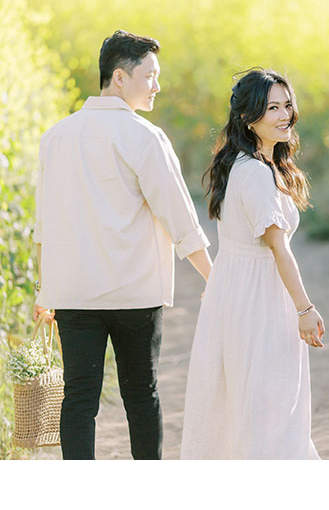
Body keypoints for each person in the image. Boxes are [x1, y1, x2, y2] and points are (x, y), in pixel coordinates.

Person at [33, 30, 212, 460]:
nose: (157, 85)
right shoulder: (144, 137)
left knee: (78, 399)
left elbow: (45, 225)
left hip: (74, 293)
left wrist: (44, 291)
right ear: (119, 77)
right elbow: (180, 217)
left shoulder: (55, 137)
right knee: (141, 394)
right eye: (149, 76)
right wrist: (216, 277)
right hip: (135, 291)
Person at [180, 68, 324, 459]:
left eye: (287, 105)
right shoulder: (257, 174)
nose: (284, 116)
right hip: (259, 302)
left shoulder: (243, 165)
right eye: (271, 107)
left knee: (246, 406)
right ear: (248, 117)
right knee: (271, 408)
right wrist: (305, 309)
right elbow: (278, 248)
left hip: (238, 295)